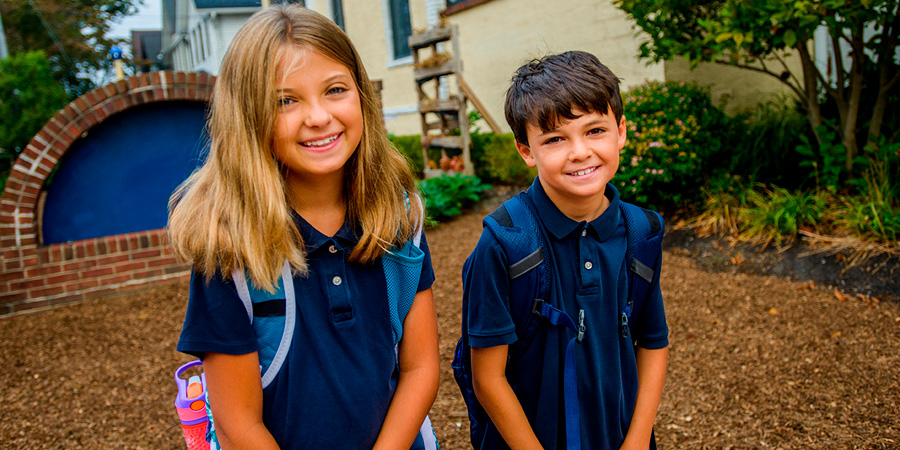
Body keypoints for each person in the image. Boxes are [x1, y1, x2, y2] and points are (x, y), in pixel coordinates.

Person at [168, 5, 439, 449]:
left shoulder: (399, 216)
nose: (318, 117)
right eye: (285, 101)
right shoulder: (230, 247)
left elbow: (420, 368)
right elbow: (238, 424)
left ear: (361, 95)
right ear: (248, 116)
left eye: (335, 89)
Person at [463, 51, 669, 450]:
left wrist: (639, 438)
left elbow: (654, 342)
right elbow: (487, 378)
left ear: (621, 131)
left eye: (595, 131)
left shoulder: (642, 232)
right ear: (527, 151)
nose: (579, 152)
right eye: (555, 139)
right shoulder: (505, 243)